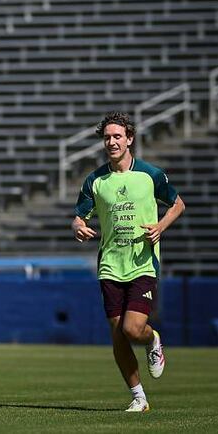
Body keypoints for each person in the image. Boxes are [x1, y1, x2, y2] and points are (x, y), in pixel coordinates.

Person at [72, 111, 185, 413]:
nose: (112, 142)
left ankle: (152, 339)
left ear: (129, 139)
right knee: (117, 333)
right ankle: (139, 398)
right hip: (110, 265)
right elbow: (79, 217)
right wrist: (78, 227)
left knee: (133, 329)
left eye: (117, 136)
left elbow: (178, 204)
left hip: (142, 263)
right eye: (107, 137)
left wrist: (160, 226)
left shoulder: (150, 175)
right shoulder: (95, 180)